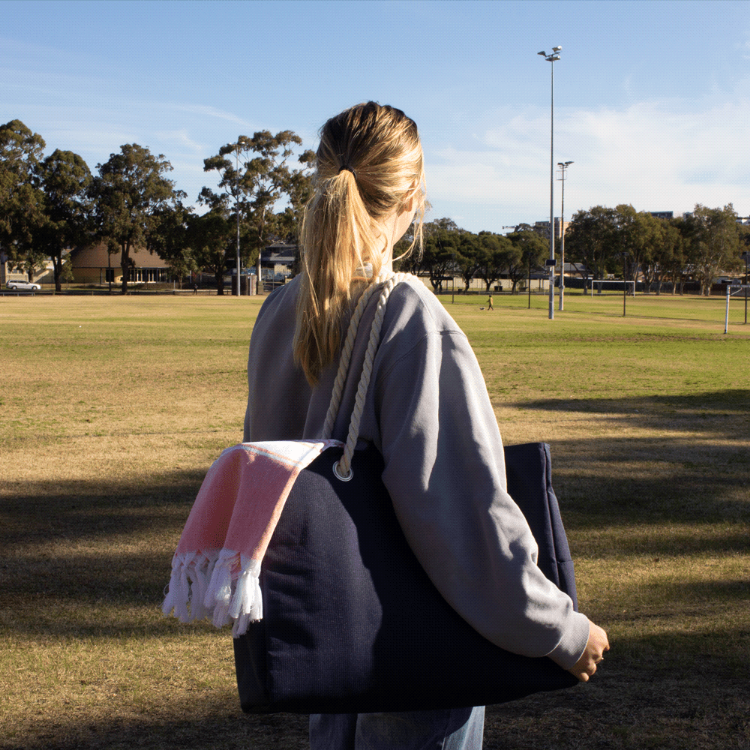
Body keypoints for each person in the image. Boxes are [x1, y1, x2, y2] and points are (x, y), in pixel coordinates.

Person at [242, 102, 609, 750]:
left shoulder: (281, 311)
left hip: (337, 671)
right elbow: (461, 519)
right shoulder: (408, 315)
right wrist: (563, 630)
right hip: (415, 676)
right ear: (413, 196)